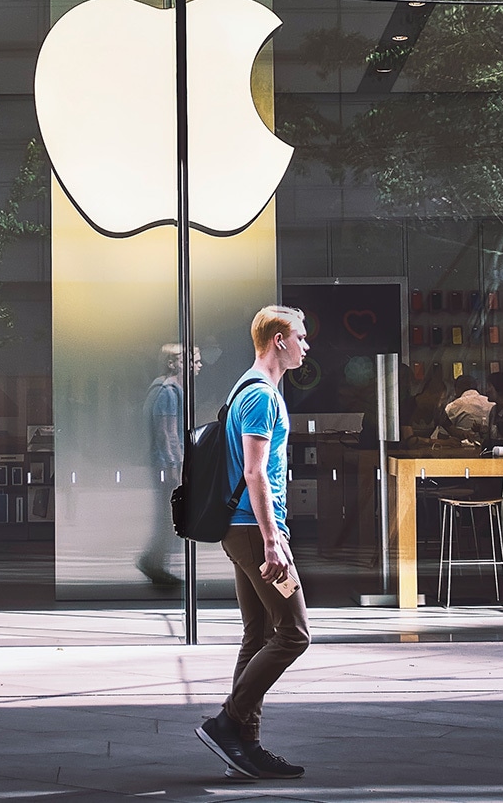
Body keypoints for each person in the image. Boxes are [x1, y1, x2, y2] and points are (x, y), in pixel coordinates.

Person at [195, 305, 310, 780]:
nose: (306, 345)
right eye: (301, 337)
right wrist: (272, 539)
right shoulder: (262, 397)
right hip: (253, 531)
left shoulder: (243, 387)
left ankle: (245, 745)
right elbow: (255, 471)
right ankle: (227, 722)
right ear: (279, 341)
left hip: (238, 530)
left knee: (259, 633)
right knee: (295, 633)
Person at [137, 343, 201, 588]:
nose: (199, 365)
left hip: (166, 463)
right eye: (193, 360)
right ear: (174, 363)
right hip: (167, 465)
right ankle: (153, 562)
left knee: (168, 518)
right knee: (169, 517)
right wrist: (176, 469)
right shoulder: (167, 391)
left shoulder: (169, 389)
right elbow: (167, 434)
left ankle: (155, 563)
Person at [442, 375, 493, 444]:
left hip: (461, 450)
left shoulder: (454, 405)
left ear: (457, 388)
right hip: (490, 446)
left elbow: (443, 434)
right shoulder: (491, 403)